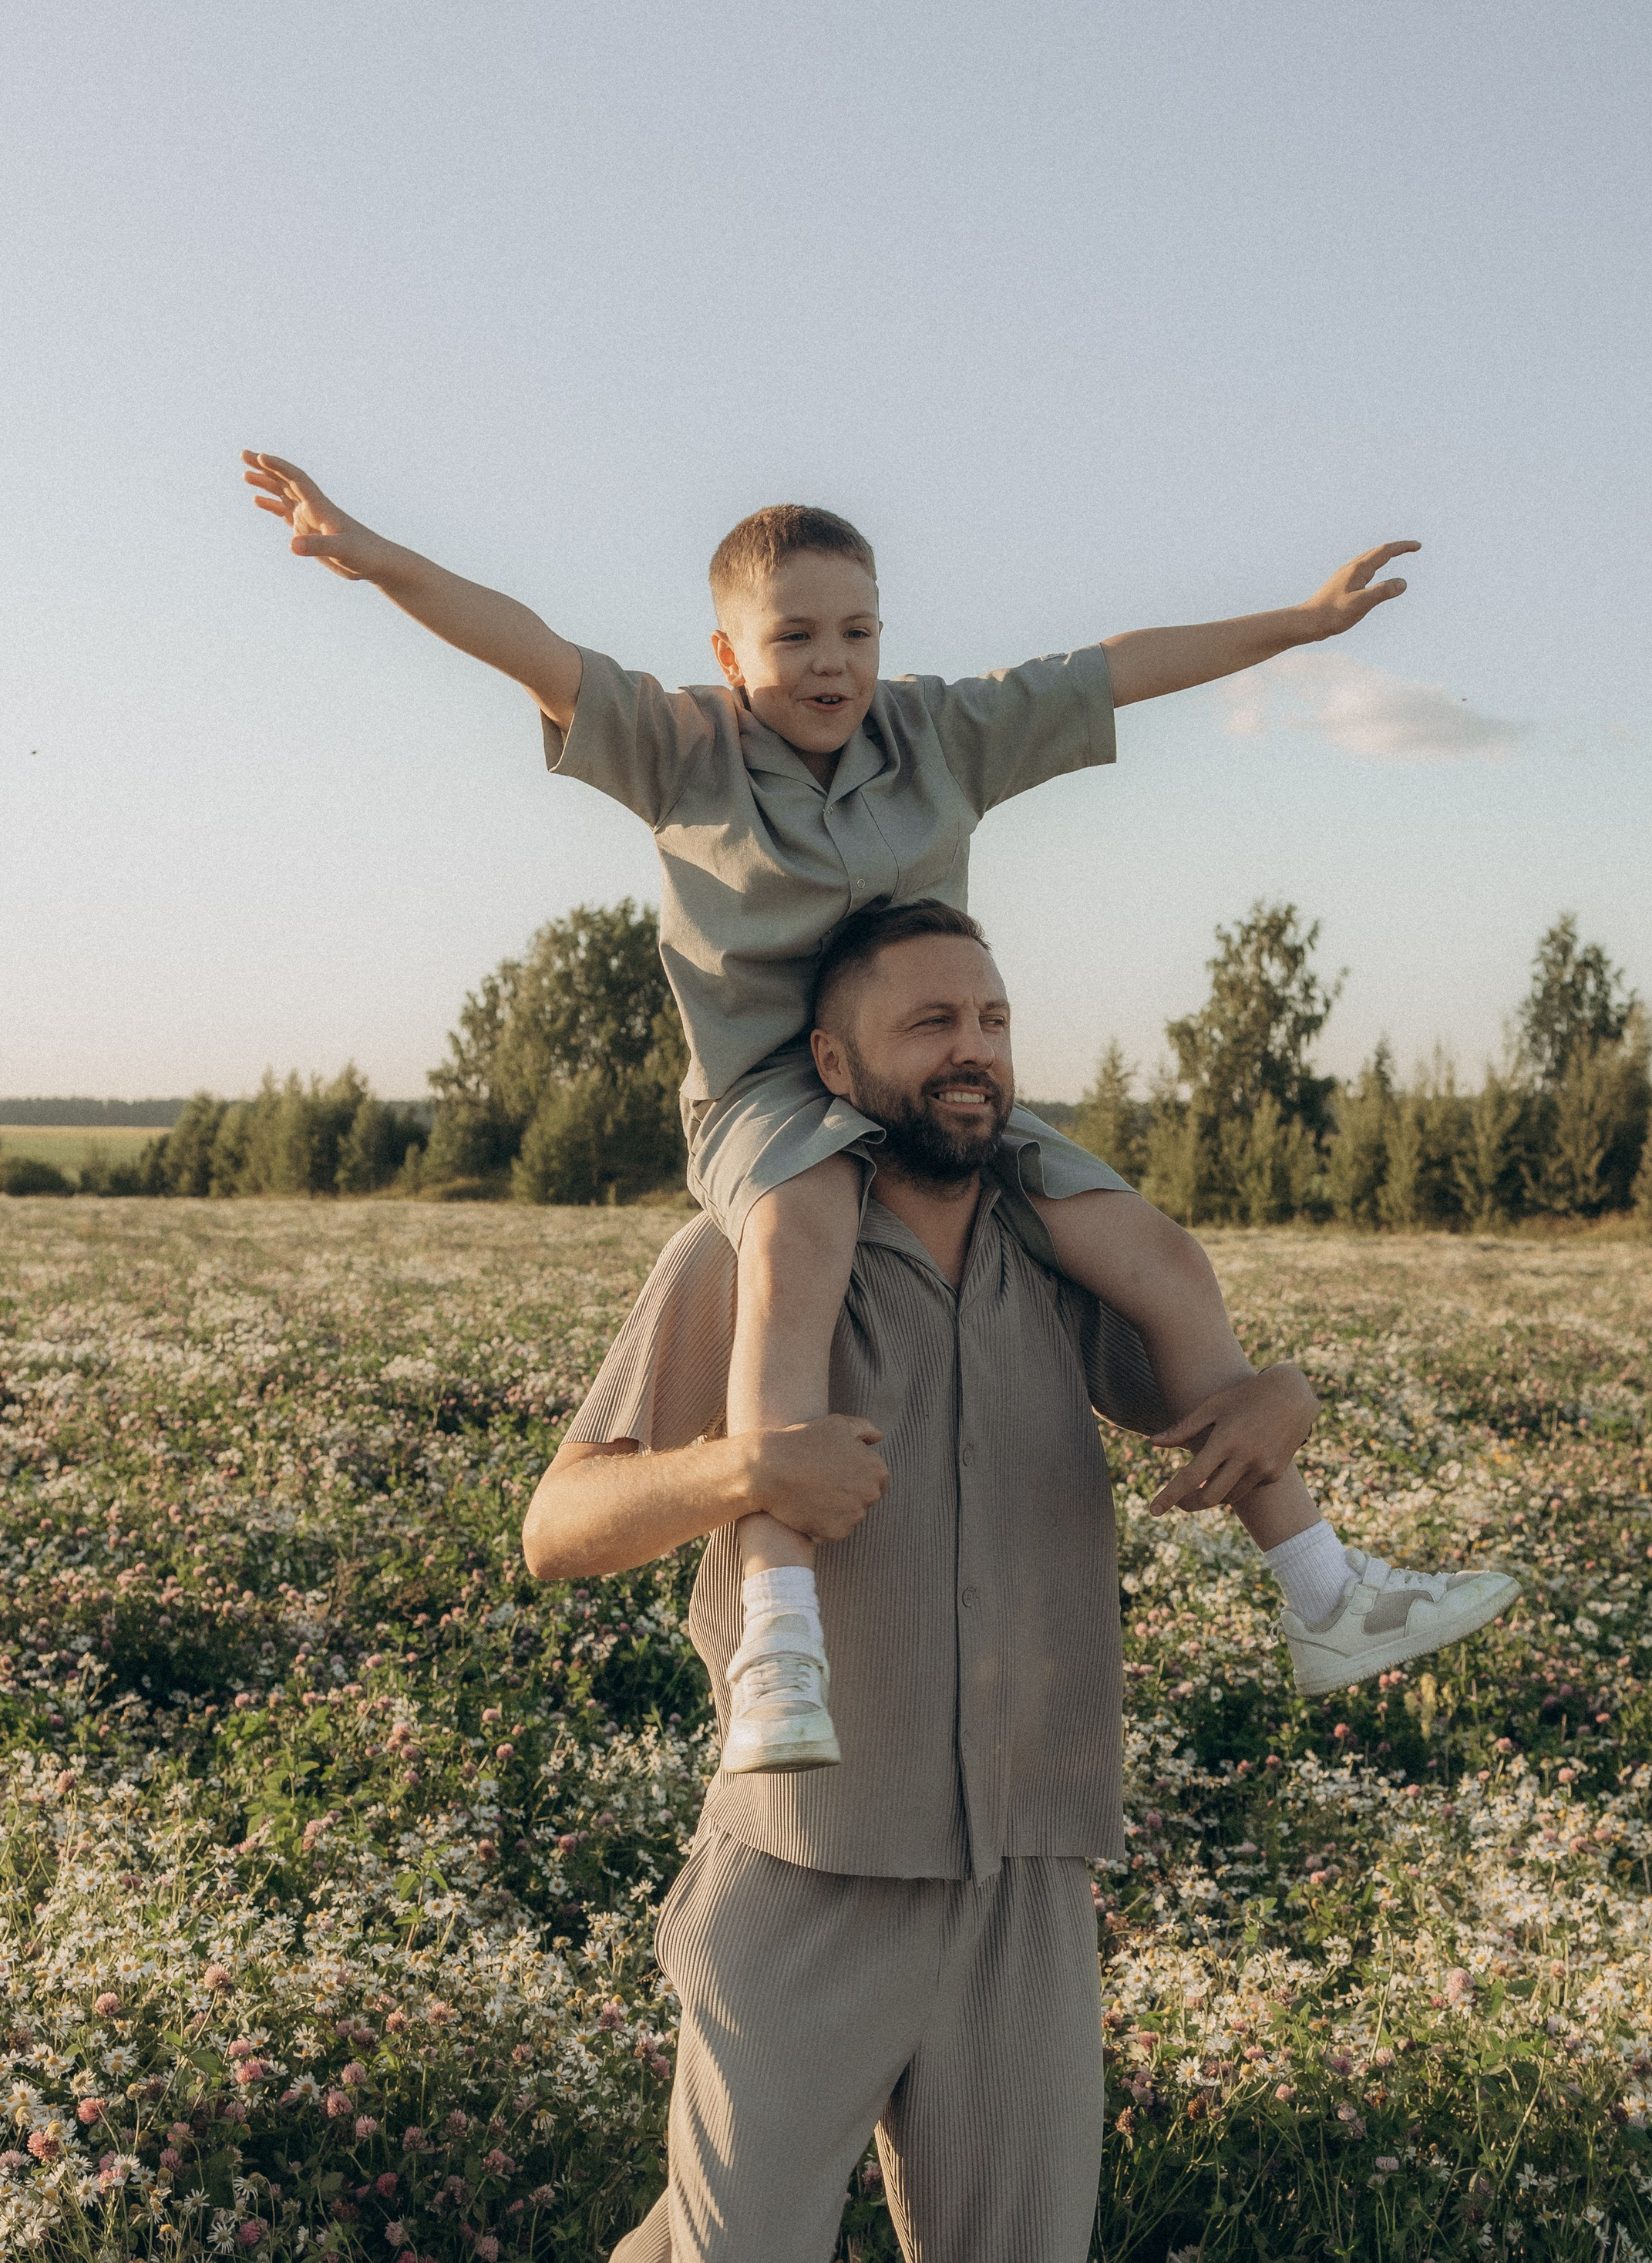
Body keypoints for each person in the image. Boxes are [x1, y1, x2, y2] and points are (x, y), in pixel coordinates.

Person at [245, 448, 1475, 1766]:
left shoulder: (941, 733)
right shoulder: (681, 748)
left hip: (930, 1075)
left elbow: (1120, 665)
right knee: (797, 1246)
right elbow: (531, 645)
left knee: (1161, 1259)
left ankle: (1328, 1591)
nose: (831, 663)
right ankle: (779, 1649)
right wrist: (370, 557)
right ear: (729, 651)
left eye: (857, 631)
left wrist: (1305, 623)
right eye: (795, 637)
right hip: (772, 1101)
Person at [516, 903, 1517, 2263]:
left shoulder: (1059, 1252)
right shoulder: (743, 1251)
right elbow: (555, 1524)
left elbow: (1212, 1394)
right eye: (928, 1025)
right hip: (805, 1870)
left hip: (1027, 1880)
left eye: (989, 1019)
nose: (972, 1051)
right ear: (833, 1066)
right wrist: (736, 1470)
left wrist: (1280, 1398)